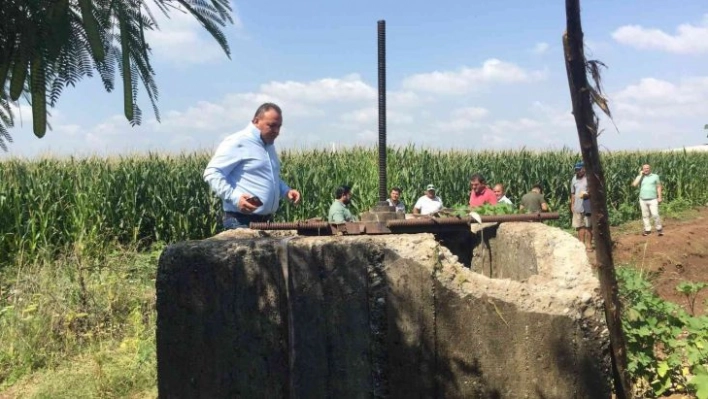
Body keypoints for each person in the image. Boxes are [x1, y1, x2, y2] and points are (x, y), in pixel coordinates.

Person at [203, 103, 301, 230]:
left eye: (279, 126)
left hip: (266, 221)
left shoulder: (269, 146)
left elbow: (269, 176)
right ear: (256, 121)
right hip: (240, 221)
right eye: (272, 126)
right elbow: (212, 172)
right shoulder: (238, 141)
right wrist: (236, 198)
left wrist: (286, 191)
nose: (277, 131)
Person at [632, 164, 663, 236]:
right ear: (642, 169)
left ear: (650, 169)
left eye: (647, 168)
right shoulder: (640, 177)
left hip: (653, 199)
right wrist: (640, 175)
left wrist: (660, 197)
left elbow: (658, 187)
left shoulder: (655, 176)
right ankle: (647, 230)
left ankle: (659, 229)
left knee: (655, 214)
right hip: (643, 199)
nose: (646, 169)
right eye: (644, 168)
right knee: (645, 215)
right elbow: (634, 184)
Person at [570, 161, 592, 251]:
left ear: (584, 169)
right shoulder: (574, 179)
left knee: (588, 226)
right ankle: (581, 245)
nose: (577, 172)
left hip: (588, 205)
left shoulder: (589, 178)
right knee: (579, 227)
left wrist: (588, 194)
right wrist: (572, 205)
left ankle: (588, 245)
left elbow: (594, 190)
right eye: (576, 170)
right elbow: (572, 193)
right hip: (577, 206)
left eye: (579, 170)